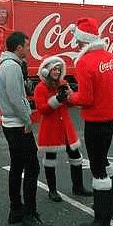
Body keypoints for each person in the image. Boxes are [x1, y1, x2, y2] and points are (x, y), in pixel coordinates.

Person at [0, 31, 54, 226]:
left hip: (10, 123)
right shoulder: (12, 67)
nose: (28, 49)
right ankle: (29, 216)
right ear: (18, 47)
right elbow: (15, 97)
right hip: (17, 125)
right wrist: (26, 118)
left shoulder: (6, 64)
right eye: (26, 46)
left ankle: (16, 210)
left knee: (17, 165)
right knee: (32, 167)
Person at [67, 17, 113, 226]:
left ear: (81, 40)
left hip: (96, 121)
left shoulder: (84, 62)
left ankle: (102, 220)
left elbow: (86, 98)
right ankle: (110, 206)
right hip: (111, 118)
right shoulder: (110, 57)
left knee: (98, 168)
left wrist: (71, 96)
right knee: (104, 162)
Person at [34, 55, 92, 203]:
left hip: (66, 126)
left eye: (59, 69)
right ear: (46, 71)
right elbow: (42, 110)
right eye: (54, 69)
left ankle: (78, 187)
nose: (57, 72)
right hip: (50, 128)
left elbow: (71, 104)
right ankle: (52, 191)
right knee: (50, 159)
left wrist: (69, 96)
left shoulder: (63, 83)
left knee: (76, 156)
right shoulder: (40, 87)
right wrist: (56, 100)